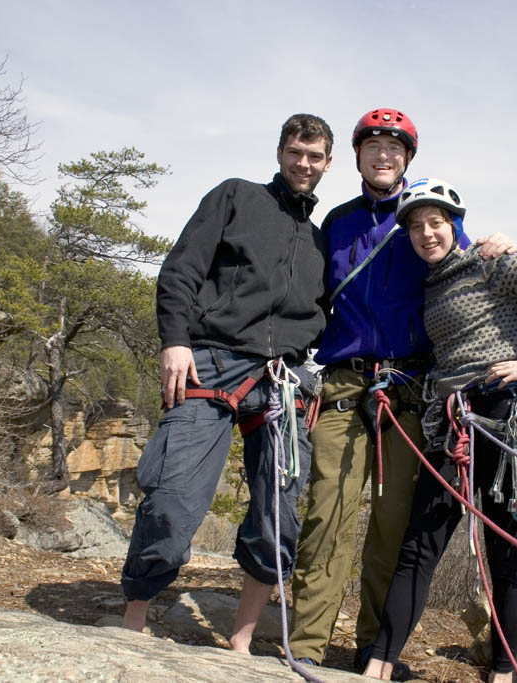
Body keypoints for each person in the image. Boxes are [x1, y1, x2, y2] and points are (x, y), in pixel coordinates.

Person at [288, 109, 513, 675]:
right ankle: (309, 646)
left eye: (394, 149)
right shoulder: (337, 222)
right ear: (357, 158)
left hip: (409, 388)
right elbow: (308, 297)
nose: (383, 157)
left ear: (407, 160)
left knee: (391, 525)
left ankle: (373, 649)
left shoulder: (426, 219)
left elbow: (467, 271)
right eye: (373, 148)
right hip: (344, 383)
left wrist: (498, 245)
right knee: (326, 517)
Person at [120, 113, 333, 655]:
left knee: (278, 511)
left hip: (282, 378)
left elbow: (334, 315)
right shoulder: (236, 197)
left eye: (314, 156)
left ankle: (239, 641)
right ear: (280, 153)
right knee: (172, 496)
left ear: (327, 163)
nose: (303, 164)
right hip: (210, 361)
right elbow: (181, 270)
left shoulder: (320, 240)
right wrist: (175, 340)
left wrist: (315, 372)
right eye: (295, 152)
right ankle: (133, 619)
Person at [362, 178, 517, 683]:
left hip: (503, 414)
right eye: (416, 226)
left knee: (504, 547)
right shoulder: (430, 283)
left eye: (436, 223)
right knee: (420, 545)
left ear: (454, 224)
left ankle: (506, 669)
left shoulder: (492, 262)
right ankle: (380, 661)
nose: (426, 234)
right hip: (452, 418)